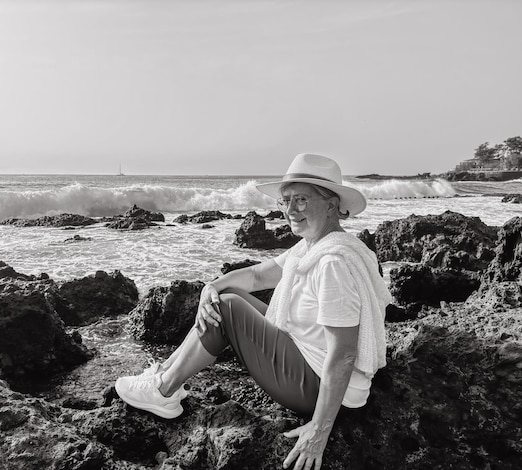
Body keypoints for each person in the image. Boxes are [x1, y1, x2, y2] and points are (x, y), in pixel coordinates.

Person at [115, 153, 391, 470]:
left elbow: (343, 354)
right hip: (314, 367)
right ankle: (165, 378)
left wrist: (319, 431)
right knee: (227, 294)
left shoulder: (332, 263)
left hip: (322, 392)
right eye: (287, 200)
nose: (290, 210)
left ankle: (163, 390)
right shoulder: (314, 245)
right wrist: (211, 288)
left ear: (331, 204)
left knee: (229, 307)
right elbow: (258, 276)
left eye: (301, 200)